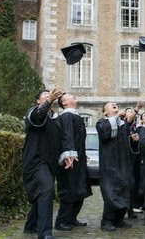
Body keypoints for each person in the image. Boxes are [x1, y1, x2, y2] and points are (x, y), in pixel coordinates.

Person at [22, 89, 63, 239]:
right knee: (47, 189)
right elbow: (38, 116)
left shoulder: (56, 119)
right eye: (45, 96)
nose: (48, 96)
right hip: (35, 161)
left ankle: (31, 225)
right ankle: (45, 232)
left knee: (42, 193)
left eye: (50, 95)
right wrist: (48, 101)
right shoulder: (33, 113)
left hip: (50, 164)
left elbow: (62, 139)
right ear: (38, 101)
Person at [95, 102, 139, 231]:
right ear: (105, 112)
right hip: (110, 163)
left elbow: (127, 133)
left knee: (126, 188)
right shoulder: (102, 122)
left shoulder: (122, 125)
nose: (114, 104)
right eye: (110, 105)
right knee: (112, 191)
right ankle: (106, 221)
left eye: (115, 104)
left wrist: (132, 139)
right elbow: (105, 134)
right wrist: (117, 117)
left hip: (124, 163)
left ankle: (119, 219)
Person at [54, 93, 92, 231]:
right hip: (70, 159)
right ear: (64, 103)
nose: (75, 96)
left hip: (78, 158)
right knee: (69, 189)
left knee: (80, 189)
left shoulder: (75, 115)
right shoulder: (67, 116)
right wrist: (69, 154)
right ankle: (61, 221)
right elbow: (67, 136)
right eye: (70, 96)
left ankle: (71, 218)